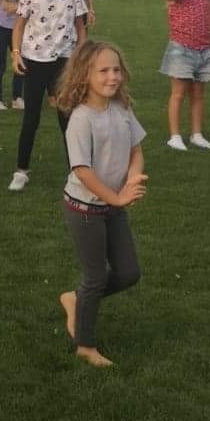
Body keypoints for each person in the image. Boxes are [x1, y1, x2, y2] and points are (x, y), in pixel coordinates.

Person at [56, 40, 146, 368]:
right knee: (95, 278)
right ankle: (85, 345)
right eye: (104, 71)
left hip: (112, 207)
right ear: (85, 75)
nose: (112, 77)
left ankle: (75, 300)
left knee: (128, 272)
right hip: (84, 210)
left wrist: (133, 177)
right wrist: (117, 197)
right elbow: (82, 171)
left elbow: (136, 148)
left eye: (116, 70)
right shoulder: (81, 119)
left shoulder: (121, 109)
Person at [9, 0, 88, 191]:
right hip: (35, 62)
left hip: (64, 64)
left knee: (67, 119)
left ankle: (76, 172)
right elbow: (19, 27)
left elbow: (81, 29)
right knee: (31, 118)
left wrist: (80, 59)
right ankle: (21, 170)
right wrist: (16, 54)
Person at [161, 0, 210, 152]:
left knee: (198, 95)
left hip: (203, 50)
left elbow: (208, 20)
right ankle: (175, 136)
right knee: (178, 94)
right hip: (181, 49)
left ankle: (197, 134)